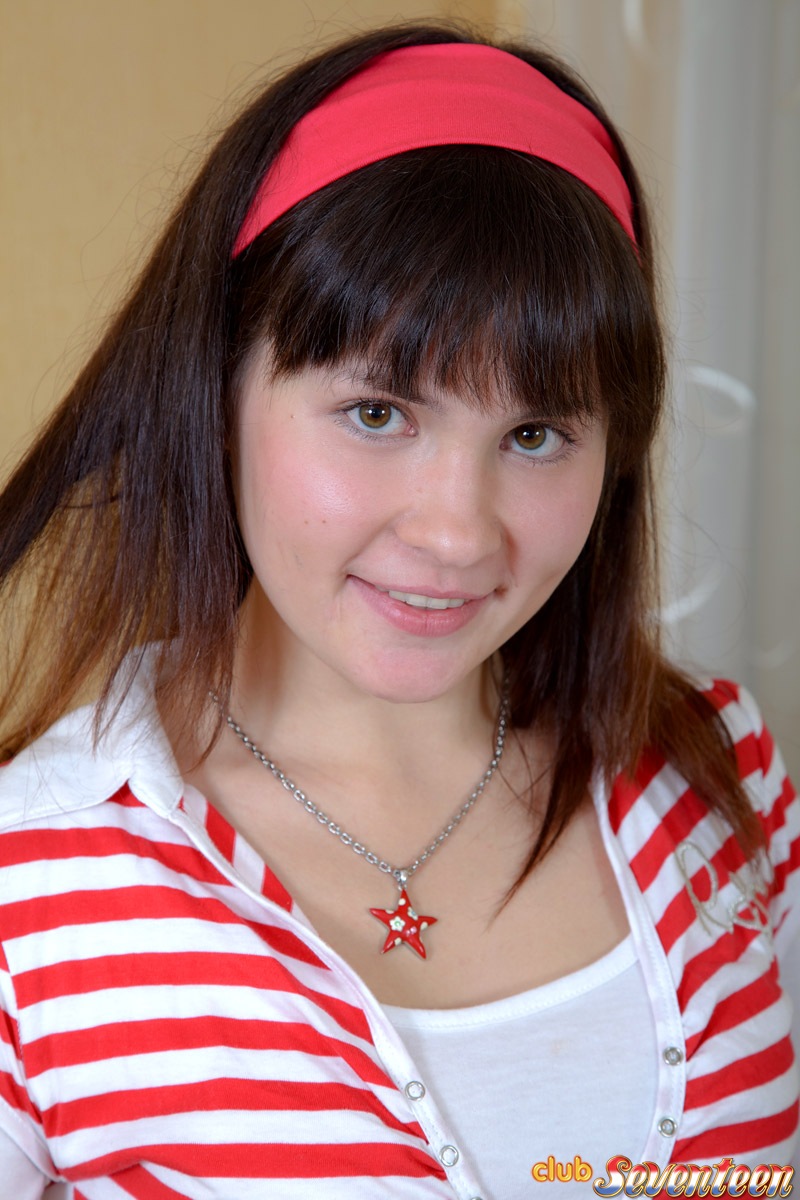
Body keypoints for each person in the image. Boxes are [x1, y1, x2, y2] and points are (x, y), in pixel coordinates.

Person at [0, 20, 796, 1200]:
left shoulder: (719, 771)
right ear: (213, 385)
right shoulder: (32, 884)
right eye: (377, 412)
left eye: (535, 434)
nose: (458, 533)